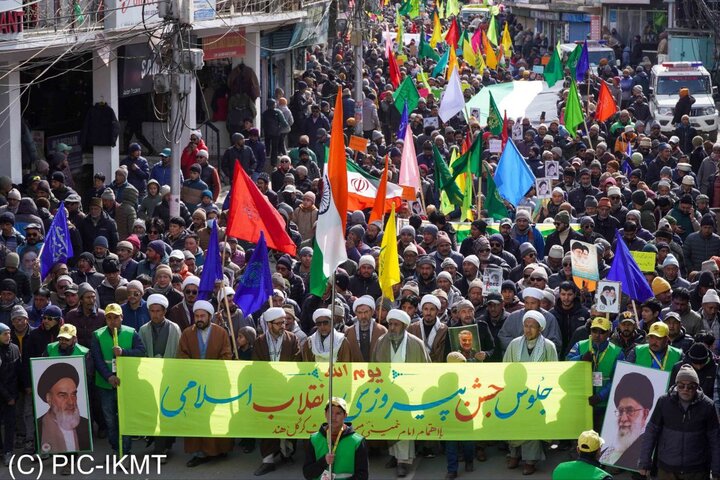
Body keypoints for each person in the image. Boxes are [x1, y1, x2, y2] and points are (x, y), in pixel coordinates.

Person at [372, 309, 430, 477]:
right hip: (388, 391)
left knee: (404, 425)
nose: (392, 327)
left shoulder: (416, 343)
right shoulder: (381, 341)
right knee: (390, 423)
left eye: (396, 325)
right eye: (390, 324)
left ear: (404, 326)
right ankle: (394, 455)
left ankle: (403, 461)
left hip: (409, 392)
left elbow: (426, 368)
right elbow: (375, 366)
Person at [177, 300, 234, 467]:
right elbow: (182, 355)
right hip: (194, 384)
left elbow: (226, 354)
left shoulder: (221, 332)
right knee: (197, 417)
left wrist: (211, 370)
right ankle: (199, 453)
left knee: (217, 416)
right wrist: (195, 369)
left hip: (215, 382)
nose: (199, 318)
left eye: (202, 316)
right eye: (197, 316)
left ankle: (221, 449)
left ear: (210, 316)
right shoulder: (187, 333)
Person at [638, 365, 720, 479]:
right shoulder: (663, 402)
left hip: (697, 470)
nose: (686, 389)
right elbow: (651, 433)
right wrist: (644, 461)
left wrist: (717, 469)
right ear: (676, 385)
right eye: (681, 386)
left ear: (697, 386)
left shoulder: (707, 405)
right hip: (666, 469)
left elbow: (715, 439)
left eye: (691, 386)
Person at [503, 310, 558, 475]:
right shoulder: (514, 344)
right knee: (514, 424)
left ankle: (530, 460)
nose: (528, 330)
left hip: (537, 396)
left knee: (532, 426)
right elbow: (506, 367)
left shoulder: (549, 346)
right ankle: (514, 454)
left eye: (532, 327)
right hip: (516, 392)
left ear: (540, 328)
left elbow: (553, 371)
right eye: (526, 326)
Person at [89, 303, 145, 454]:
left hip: (126, 383)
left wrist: (124, 352)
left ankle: (125, 451)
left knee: (124, 418)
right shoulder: (97, 335)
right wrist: (109, 377)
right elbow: (97, 360)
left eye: (116, 317)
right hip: (105, 384)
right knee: (110, 420)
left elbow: (141, 352)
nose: (112, 321)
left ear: (122, 317)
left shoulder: (131, 333)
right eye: (109, 318)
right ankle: (116, 448)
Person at [566, 317, 621, 430]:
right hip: (581, 401)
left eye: (602, 332)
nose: (597, 334)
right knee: (581, 439)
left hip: (604, 404)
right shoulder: (580, 345)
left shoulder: (617, 352)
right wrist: (581, 358)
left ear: (609, 333)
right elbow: (566, 365)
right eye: (594, 330)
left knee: (600, 439)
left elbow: (617, 379)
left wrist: (600, 396)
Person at [302, 397, 369, 480]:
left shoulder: (357, 441)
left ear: (345, 415)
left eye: (338, 413)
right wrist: (324, 461)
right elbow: (307, 473)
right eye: (330, 413)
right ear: (325, 414)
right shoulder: (314, 439)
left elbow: (363, 475)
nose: (333, 417)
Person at [598, 372, 654, 470]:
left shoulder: (645, 453)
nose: (623, 419)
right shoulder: (606, 452)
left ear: (645, 414)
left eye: (630, 411)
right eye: (620, 411)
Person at [35, 359, 91, 453]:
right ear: (49, 398)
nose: (70, 402)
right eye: (62, 395)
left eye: (73, 394)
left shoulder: (85, 424)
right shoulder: (39, 426)